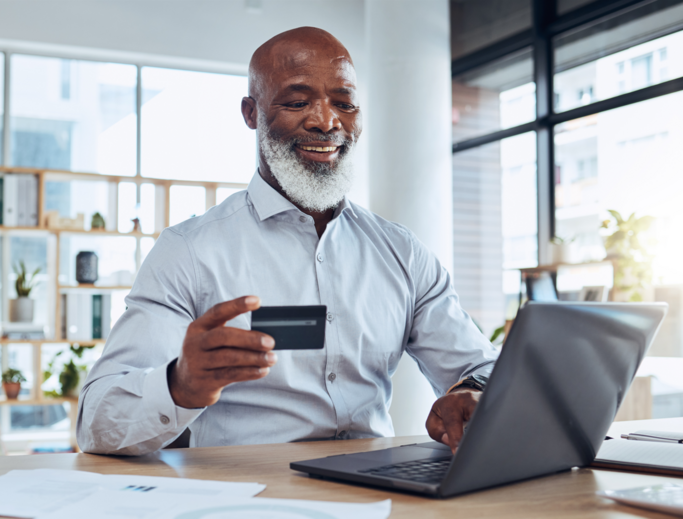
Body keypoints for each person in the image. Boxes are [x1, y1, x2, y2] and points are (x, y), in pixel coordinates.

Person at [77, 27, 497, 456]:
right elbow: (96, 422)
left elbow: (481, 365)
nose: (325, 121)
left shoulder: (401, 252)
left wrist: (473, 392)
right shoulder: (189, 251)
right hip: (248, 499)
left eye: (345, 104)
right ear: (251, 113)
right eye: (297, 102)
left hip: (377, 493)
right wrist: (180, 385)